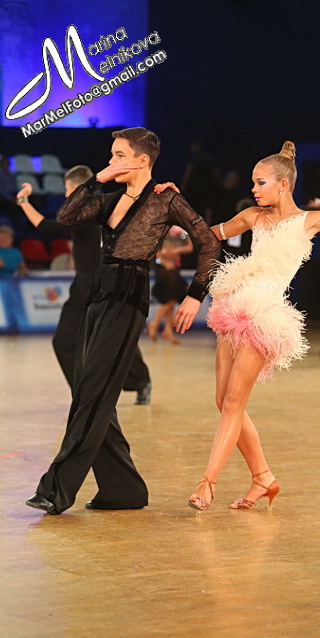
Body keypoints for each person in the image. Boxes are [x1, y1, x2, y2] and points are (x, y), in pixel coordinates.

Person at [158, 141, 320, 512]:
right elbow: (205, 233)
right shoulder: (252, 216)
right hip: (233, 309)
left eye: (261, 182)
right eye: (254, 182)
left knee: (234, 402)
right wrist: (175, 203)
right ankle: (263, 478)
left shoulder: (310, 221)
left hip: (264, 316)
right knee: (223, 401)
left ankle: (208, 483)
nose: (253, 189)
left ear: (283, 185)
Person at [25, 127, 220, 516]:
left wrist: (194, 295)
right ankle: (123, 489)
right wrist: (98, 178)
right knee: (90, 392)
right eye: (111, 155)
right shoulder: (110, 198)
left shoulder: (166, 199)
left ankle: (56, 489)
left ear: (142, 160)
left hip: (128, 300)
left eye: (118, 155)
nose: (112, 162)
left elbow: (209, 242)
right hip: (98, 297)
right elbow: (65, 216)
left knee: (93, 392)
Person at [17, 167, 152, 405]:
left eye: (68, 189)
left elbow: (45, 226)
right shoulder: (96, 208)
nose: (65, 194)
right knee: (65, 342)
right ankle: (84, 393)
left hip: (106, 286)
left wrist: (23, 201)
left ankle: (140, 381)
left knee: (114, 341)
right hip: (83, 288)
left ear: (78, 189)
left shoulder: (90, 212)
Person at [147, 225, 194, 344]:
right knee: (171, 295)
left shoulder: (180, 230)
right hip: (163, 267)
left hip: (174, 266)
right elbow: (155, 248)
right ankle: (156, 323)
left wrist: (177, 250)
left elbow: (189, 247)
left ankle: (166, 329)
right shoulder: (162, 226)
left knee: (172, 297)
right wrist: (163, 262)